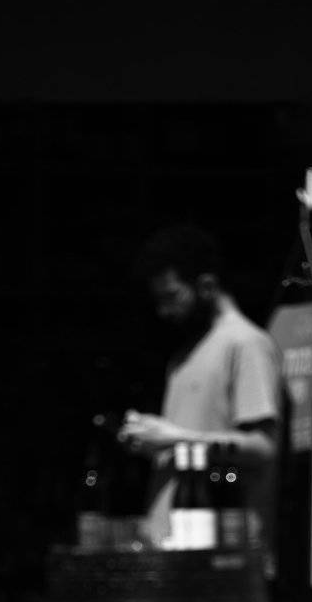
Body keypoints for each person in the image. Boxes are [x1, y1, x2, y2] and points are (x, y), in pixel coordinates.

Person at [118, 223, 283, 550]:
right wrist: (150, 438)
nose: (165, 311)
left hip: (221, 549)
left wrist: (173, 438)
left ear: (206, 286)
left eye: (172, 296)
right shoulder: (185, 355)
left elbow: (263, 447)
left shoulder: (246, 343)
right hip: (171, 545)